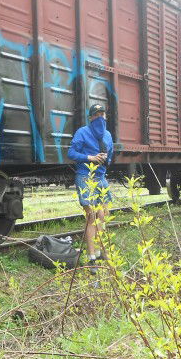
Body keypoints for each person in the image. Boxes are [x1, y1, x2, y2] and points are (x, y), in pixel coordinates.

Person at [67, 103, 114, 268]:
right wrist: (90, 158)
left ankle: (102, 252)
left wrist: (105, 159)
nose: (100, 117)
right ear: (90, 117)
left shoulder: (108, 135)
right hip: (85, 176)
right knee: (91, 216)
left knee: (104, 215)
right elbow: (71, 153)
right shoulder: (82, 132)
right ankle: (91, 256)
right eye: (96, 114)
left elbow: (110, 155)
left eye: (102, 114)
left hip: (101, 177)